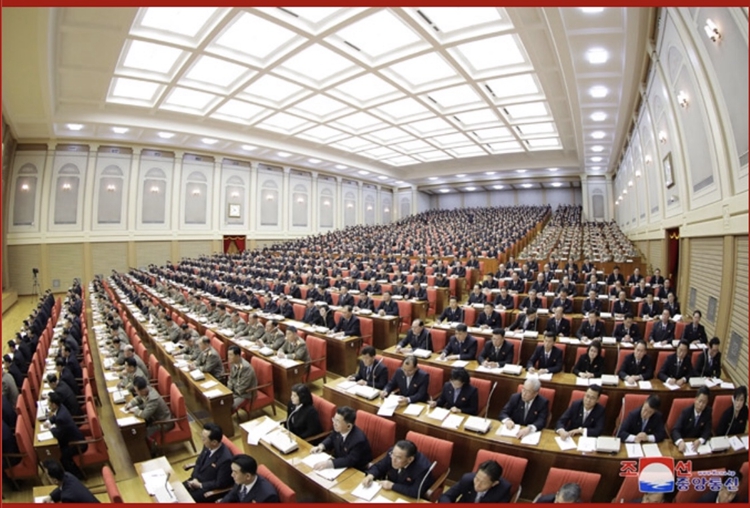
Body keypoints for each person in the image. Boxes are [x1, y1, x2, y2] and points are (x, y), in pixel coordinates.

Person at [361, 439, 434, 499]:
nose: (393, 459)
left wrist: (392, 486)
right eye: (393, 454)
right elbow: (379, 467)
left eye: (398, 458)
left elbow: (415, 491)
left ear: (410, 459)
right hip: (388, 493)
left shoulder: (422, 468)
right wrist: (370, 476)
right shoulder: (392, 454)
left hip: (407, 497)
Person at [310, 406, 372, 471]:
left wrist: (329, 464)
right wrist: (321, 446)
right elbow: (331, 438)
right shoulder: (338, 429)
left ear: (348, 426)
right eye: (334, 419)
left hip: (354, 469)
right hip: (339, 463)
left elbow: (349, 460)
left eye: (338, 421)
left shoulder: (359, 440)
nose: (334, 423)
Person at [183, 423, 234, 502]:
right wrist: (195, 478)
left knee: (185, 500)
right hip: (196, 480)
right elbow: (198, 463)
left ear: (214, 442)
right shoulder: (207, 446)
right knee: (177, 490)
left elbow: (219, 483)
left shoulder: (226, 460)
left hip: (208, 489)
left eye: (204, 439)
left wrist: (200, 485)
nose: (202, 440)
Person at [42, 393, 86, 479]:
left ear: (54, 404)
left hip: (78, 444)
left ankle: (77, 476)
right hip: (70, 439)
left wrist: (50, 427)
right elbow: (55, 417)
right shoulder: (61, 407)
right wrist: (49, 421)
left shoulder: (61, 418)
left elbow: (58, 434)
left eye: (49, 403)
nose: (48, 405)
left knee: (63, 457)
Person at [125, 376, 174, 448]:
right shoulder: (147, 389)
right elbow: (139, 398)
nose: (136, 393)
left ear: (142, 390)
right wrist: (131, 404)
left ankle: (152, 450)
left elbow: (145, 415)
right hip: (154, 419)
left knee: (143, 433)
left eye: (137, 391)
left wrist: (135, 410)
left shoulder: (153, 398)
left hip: (164, 423)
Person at [438, 459, 512, 503]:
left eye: (483, 483)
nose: (477, 485)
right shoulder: (467, 479)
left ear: (494, 483)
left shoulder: (503, 490)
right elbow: (445, 497)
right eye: (477, 479)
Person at [671, 386, 712, 453]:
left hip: (698, 446)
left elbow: (707, 430)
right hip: (685, 444)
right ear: (695, 399)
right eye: (700, 401)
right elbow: (675, 430)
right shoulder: (686, 412)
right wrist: (680, 442)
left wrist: (700, 440)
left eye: (704, 403)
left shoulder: (708, 412)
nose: (701, 405)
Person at [226, 345, 257, 410]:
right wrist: (229, 390)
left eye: (231, 355)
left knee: (229, 407)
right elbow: (231, 378)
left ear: (237, 356)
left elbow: (243, 387)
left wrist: (231, 393)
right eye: (228, 354)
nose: (228, 357)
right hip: (234, 391)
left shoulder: (246, 368)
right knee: (221, 402)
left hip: (244, 394)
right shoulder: (233, 363)